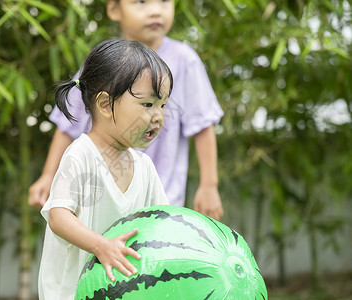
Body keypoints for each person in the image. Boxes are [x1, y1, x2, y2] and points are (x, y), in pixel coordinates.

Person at [29, 0, 224, 220]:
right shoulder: (105, 63)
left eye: (164, 1)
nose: (155, 10)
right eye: (140, 2)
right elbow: (69, 123)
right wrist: (48, 175)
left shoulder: (184, 60)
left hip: (162, 204)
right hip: (102, 205)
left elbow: (202, 125)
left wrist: (209, 185)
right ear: (113, 9)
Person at [38, 39, 172, 299]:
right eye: (148, 104)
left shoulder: (144, 167)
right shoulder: (81, 155)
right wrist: (101, 246)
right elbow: (59, 217)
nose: (158, 116)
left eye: (163, 105)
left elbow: (163, 223)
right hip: (71, 293)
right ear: (104, 104)